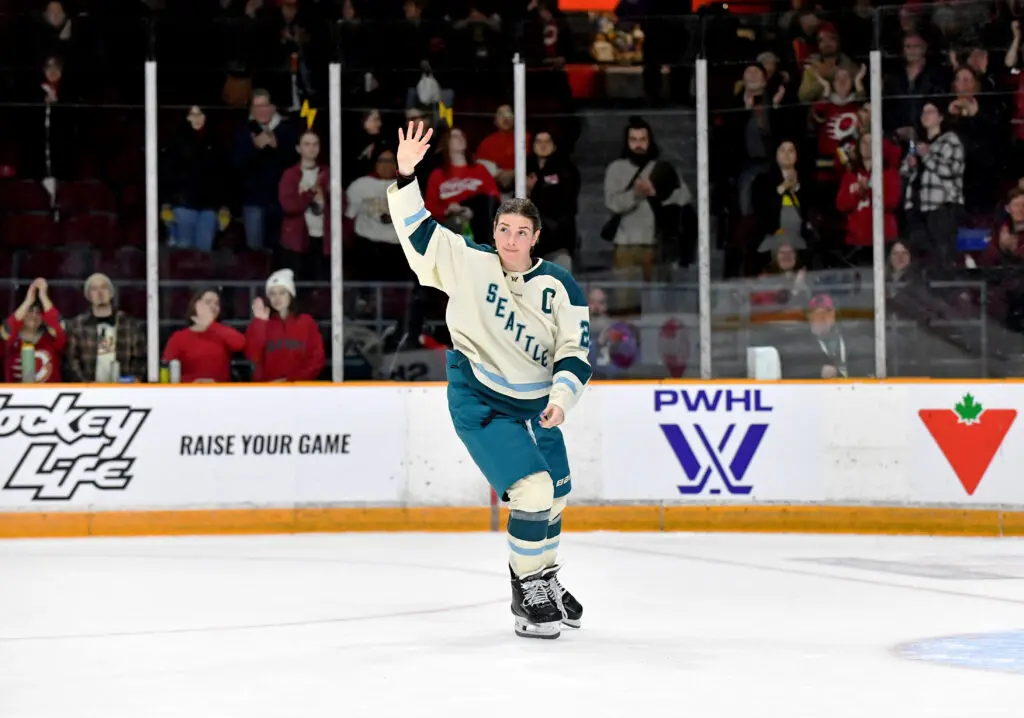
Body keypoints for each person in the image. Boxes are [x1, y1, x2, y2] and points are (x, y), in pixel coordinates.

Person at [387, 121, 593, 640]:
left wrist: (563, 399)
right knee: (532, 490)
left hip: (539, 405)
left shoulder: (559, 284)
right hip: (482, 401)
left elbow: (576, 350)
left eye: (522, 231)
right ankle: (528, 592)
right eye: (504, 229)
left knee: (558, 494)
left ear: (536, 237)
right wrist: (408, 173)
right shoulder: (469, 263)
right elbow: (420, 234)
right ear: (494, 231)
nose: (511, 239)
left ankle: (543, 575)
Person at [244, 269, 326, 382]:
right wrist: (260, 322)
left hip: (300, 390)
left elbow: (317, 359)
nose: (277, 298)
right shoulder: (262, 323)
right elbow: (252, 355)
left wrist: (291, 380)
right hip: (269, 390)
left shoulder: (306, 322)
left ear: (291, 295)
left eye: (282, 293)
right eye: (273, 293)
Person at [162, 288, 246, 383]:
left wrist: (211, 324)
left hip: (220, 393)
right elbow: (166, 371)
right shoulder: (179, 337)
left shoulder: (222, 331)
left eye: (216, 303)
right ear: (196, 305)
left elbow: (240, 344)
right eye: (208, 302)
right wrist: (192, 383)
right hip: (188, 393)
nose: (213, 306)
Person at [1, 278, 66, 383]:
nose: (34, 315)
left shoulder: (50, 339)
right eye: (29, 311)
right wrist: (28, 301)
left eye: (38, 312)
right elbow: (5, 333)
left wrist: (43, 297)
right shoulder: (11, 342)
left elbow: (60, 328)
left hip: (50, 396)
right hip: (16, 396)